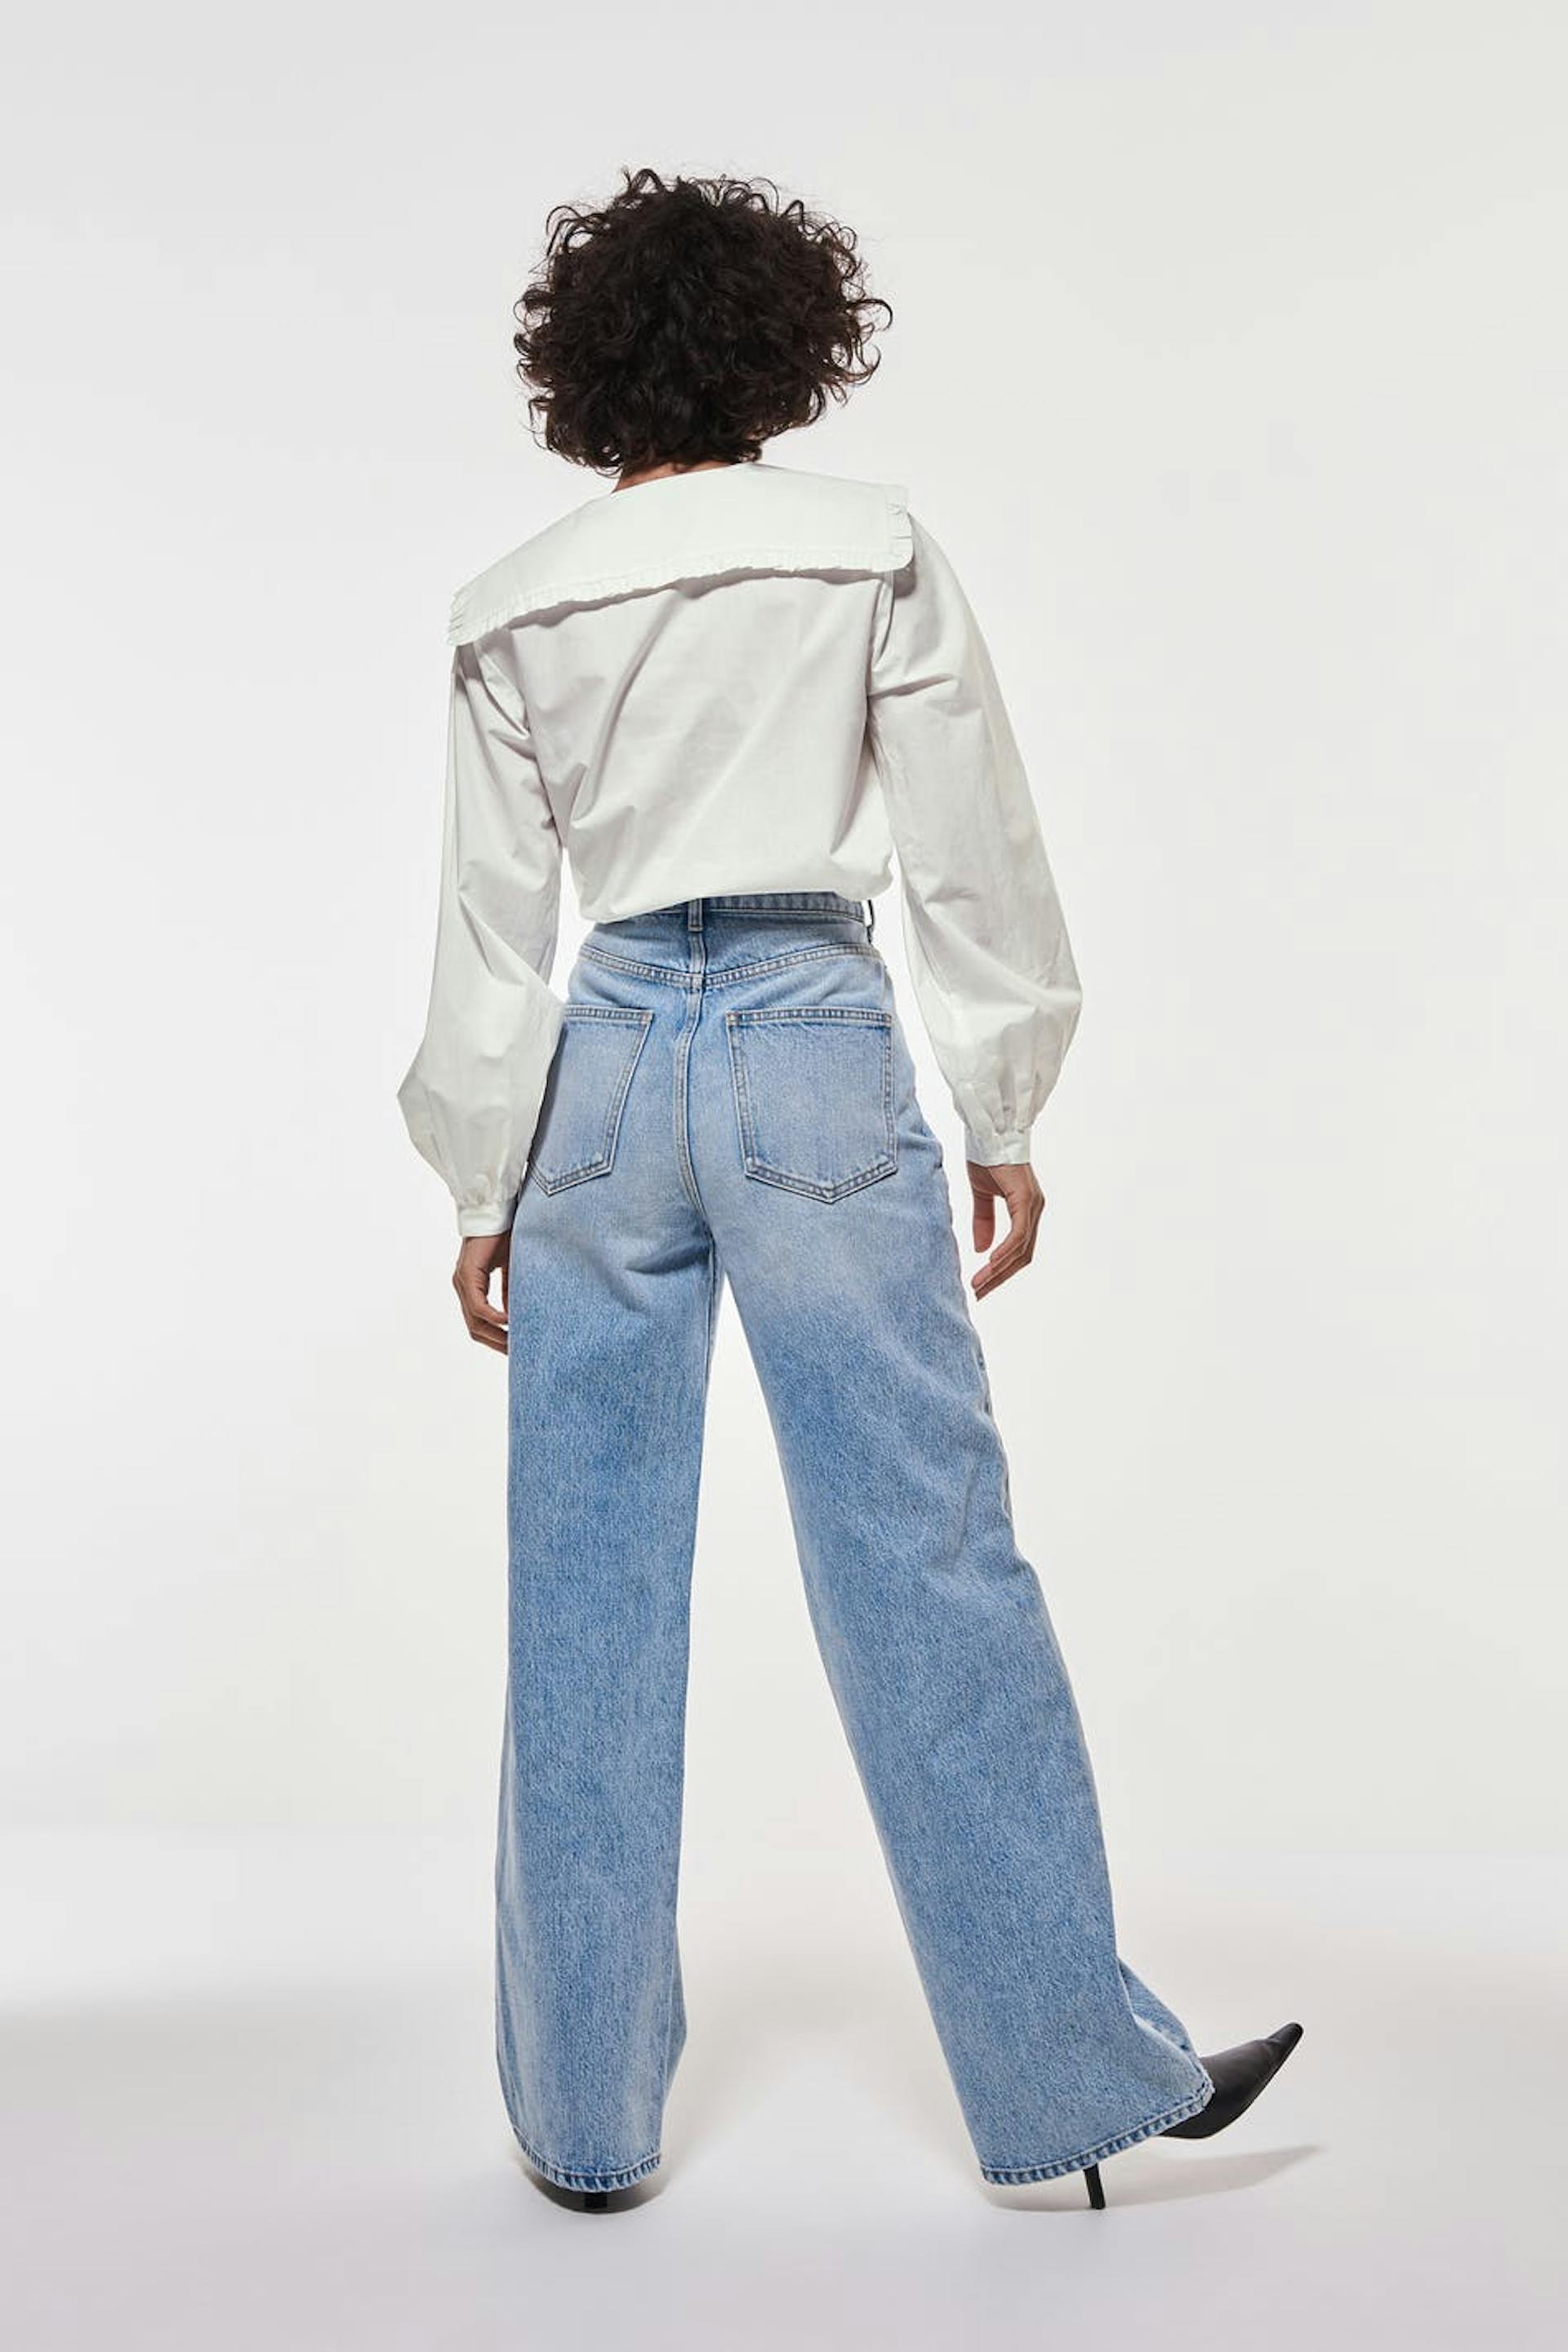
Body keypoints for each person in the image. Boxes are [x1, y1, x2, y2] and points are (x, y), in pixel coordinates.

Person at [398, 167, 1299, 2212]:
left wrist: (476, 1177)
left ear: (584, 365)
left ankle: (584, 2131)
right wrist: (1004, 1101)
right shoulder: (868, 547)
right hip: (810, 1032)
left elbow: (489, 929)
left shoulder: (511, 603)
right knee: (925, 1555)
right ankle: (1072, 2085)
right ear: (785, 350)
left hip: (602, 1066)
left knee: (586, 1588)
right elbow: (973, 841)